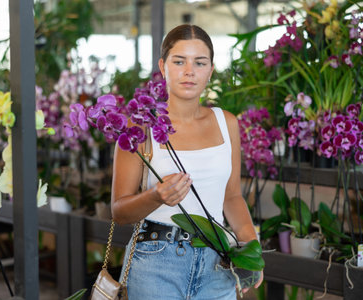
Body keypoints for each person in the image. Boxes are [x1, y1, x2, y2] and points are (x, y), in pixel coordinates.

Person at [111, 24, 263, 299]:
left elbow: (232, 197)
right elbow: (119, 211)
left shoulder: (227, 123)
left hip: (217, 261)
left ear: (211, 70)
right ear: (163, 66)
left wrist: (251, 246)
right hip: (155, 262)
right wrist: (156, 196)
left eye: (200, 62)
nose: (189, 71)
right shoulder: (140, 125)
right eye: (179, 61)